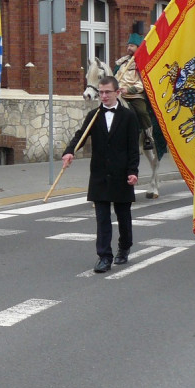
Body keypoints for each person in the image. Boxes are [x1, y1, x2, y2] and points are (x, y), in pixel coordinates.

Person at [62, 75, 139, 273]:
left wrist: (133, 171)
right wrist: (70, 151)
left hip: (122, 174)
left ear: (117, 93)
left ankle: (124, 247)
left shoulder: (129, 117)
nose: (103, 96)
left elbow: (132, 148)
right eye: (101, 92)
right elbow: (80, 135)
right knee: (102, 218)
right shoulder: (94, 116)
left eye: (107, 92)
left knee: (123, 216)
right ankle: (104, 256)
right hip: (100, 174)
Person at [113, 30, 153, 150]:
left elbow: (144, 83)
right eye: (128, 45)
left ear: (138, 47)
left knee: (142, 112)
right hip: (119, 94)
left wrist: (129, 90)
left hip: (135, 95)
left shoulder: (142, 63)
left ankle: (148, 137)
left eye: (131, 46)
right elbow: (115, 76)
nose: (128, 48)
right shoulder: (123, 62)